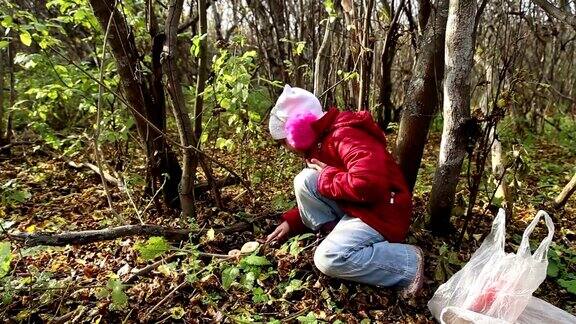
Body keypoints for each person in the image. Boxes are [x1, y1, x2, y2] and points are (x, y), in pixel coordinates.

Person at [265, 85, 424, 298]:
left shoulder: (346, 136)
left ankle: (406, 263)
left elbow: (369, 185)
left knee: (328, 259)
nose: (287, 147)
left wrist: (327, 176)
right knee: (305, 180)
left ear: (299, 128)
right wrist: (293, 221)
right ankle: (336, 236)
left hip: (382, 213)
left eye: (285, 141)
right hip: (358, 207)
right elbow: (329, 186)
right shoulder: (320, 141)